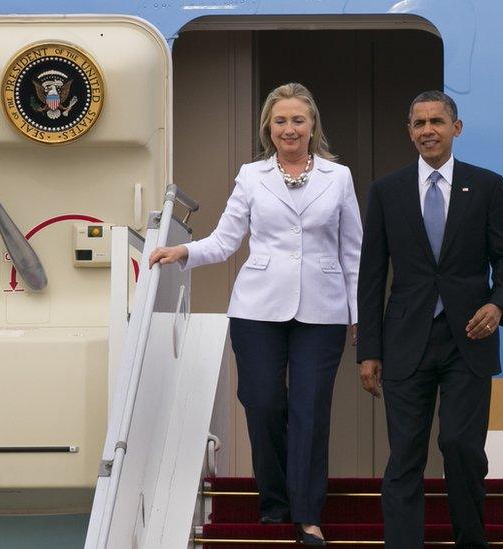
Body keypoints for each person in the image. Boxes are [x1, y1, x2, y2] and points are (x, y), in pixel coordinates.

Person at [149, 83, 361, 546]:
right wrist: (182, 250)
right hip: (258, 307)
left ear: (312, 126)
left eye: (298, 120)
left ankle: (307, 515)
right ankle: (275, 500)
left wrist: (357, 314)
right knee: (262, 403)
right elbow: (226, 241)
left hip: (322, 310)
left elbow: (353, 251)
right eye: (281, 120)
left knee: (310, 410)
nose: (290, 129)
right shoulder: (251, 175)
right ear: (269, 126)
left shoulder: (337, 177)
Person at [356, 90, 503, 548]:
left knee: (461, 447)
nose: (427, 130)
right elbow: (371, 276)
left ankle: (471, 540)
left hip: (468, 339)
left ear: (456, 128)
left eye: (437, 121)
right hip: (405, 341)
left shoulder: (487, 185)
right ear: (410, 132)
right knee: (405, 454)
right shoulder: (386, 191)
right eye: (419, 123)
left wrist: (498, 304)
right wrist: (368, 351)